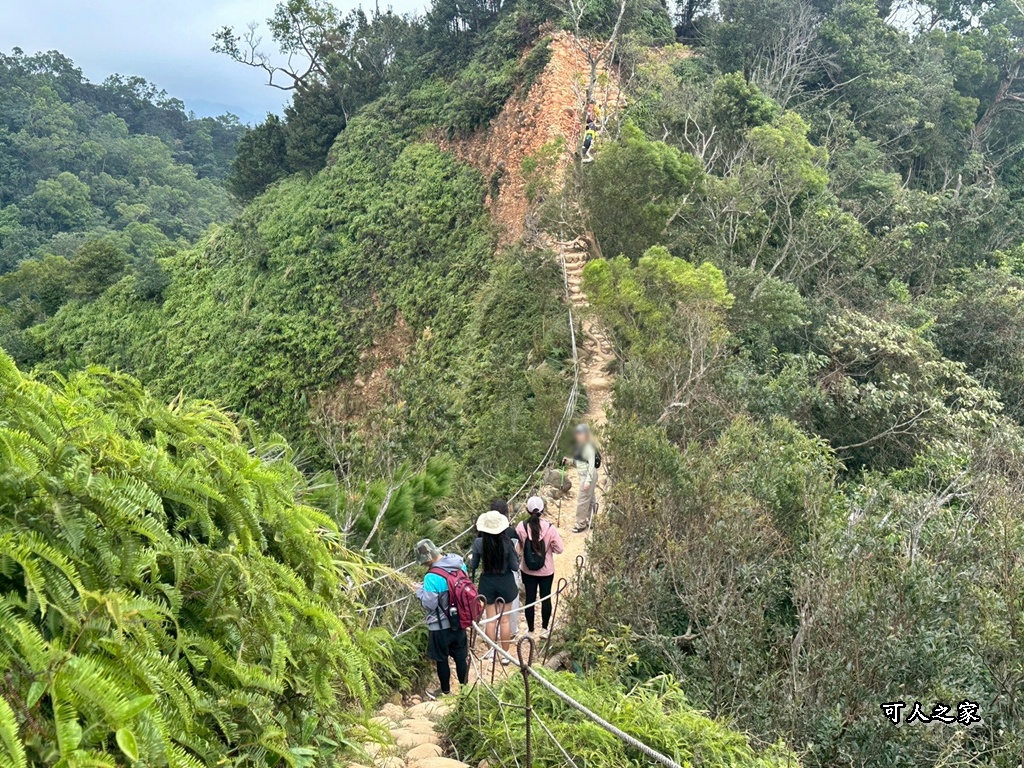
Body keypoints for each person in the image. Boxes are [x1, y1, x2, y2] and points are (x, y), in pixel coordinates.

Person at [414, 539, 470, 698]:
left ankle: (445, 691)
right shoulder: (459, 563)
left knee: (441, 659)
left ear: (427, 558)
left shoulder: (431, 577)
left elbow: (430, 604)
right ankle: (465, 691)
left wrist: (419, 591)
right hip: (460, 620)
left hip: (439, 625)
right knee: (460, 657)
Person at [468, 510, 519, 663]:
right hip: (506, 582)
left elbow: (474, 565)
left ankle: (491, 651)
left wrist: (472, 558)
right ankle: (505, 655)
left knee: (491, 620)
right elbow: (515, 567)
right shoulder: (507, 542)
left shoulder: (478, 543)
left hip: (487, 582)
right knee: (505, 620)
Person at [515, 496, 564, 637]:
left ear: (527, 510)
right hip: (546, 571)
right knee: (545, 598)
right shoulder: (550, 528)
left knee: (530, 599)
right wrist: (549, 549)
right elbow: (560, 549)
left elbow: (518, 548)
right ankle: (544, 629)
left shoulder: (521, 526)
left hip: (527, 569)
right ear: (542, 511)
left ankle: (530, 630)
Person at [487, 498, 522, 641]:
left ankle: (490, 644)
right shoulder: (511, 533)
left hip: (488, 575)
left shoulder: (483, 533)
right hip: (508, 575)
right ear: (506, 514)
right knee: (508, 614)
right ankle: (510, 634)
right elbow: (517, 554)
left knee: (490, 616)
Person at [564, 423, 598, 533]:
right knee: (591, 499)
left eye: (580, 434)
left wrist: (587, 481)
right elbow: (578, 462)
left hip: (589, 476)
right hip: (584, 475)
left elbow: (591, 465)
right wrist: (568, 460)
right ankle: (593, 520)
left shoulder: (589, 447)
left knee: (582, 500)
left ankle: (581, 524)